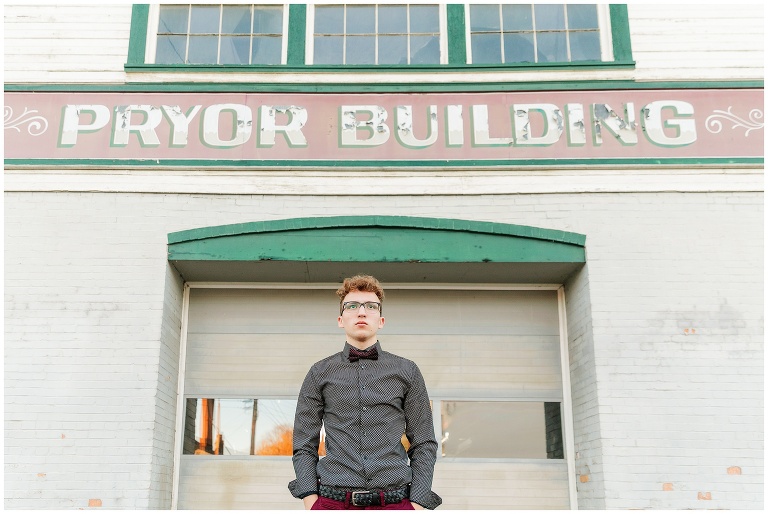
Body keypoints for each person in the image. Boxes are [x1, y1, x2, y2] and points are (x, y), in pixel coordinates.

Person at [288, 275, 442, 510]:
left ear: (381, 320)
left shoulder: (407, 371)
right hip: (332, 503)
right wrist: (311, 500)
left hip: (395, 503)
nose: (361, 312)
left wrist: (417, 503)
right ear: (341, 320)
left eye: (371, 306)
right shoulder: (319, 372)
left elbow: (424, 441)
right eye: (352, 306)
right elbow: (303, 443)